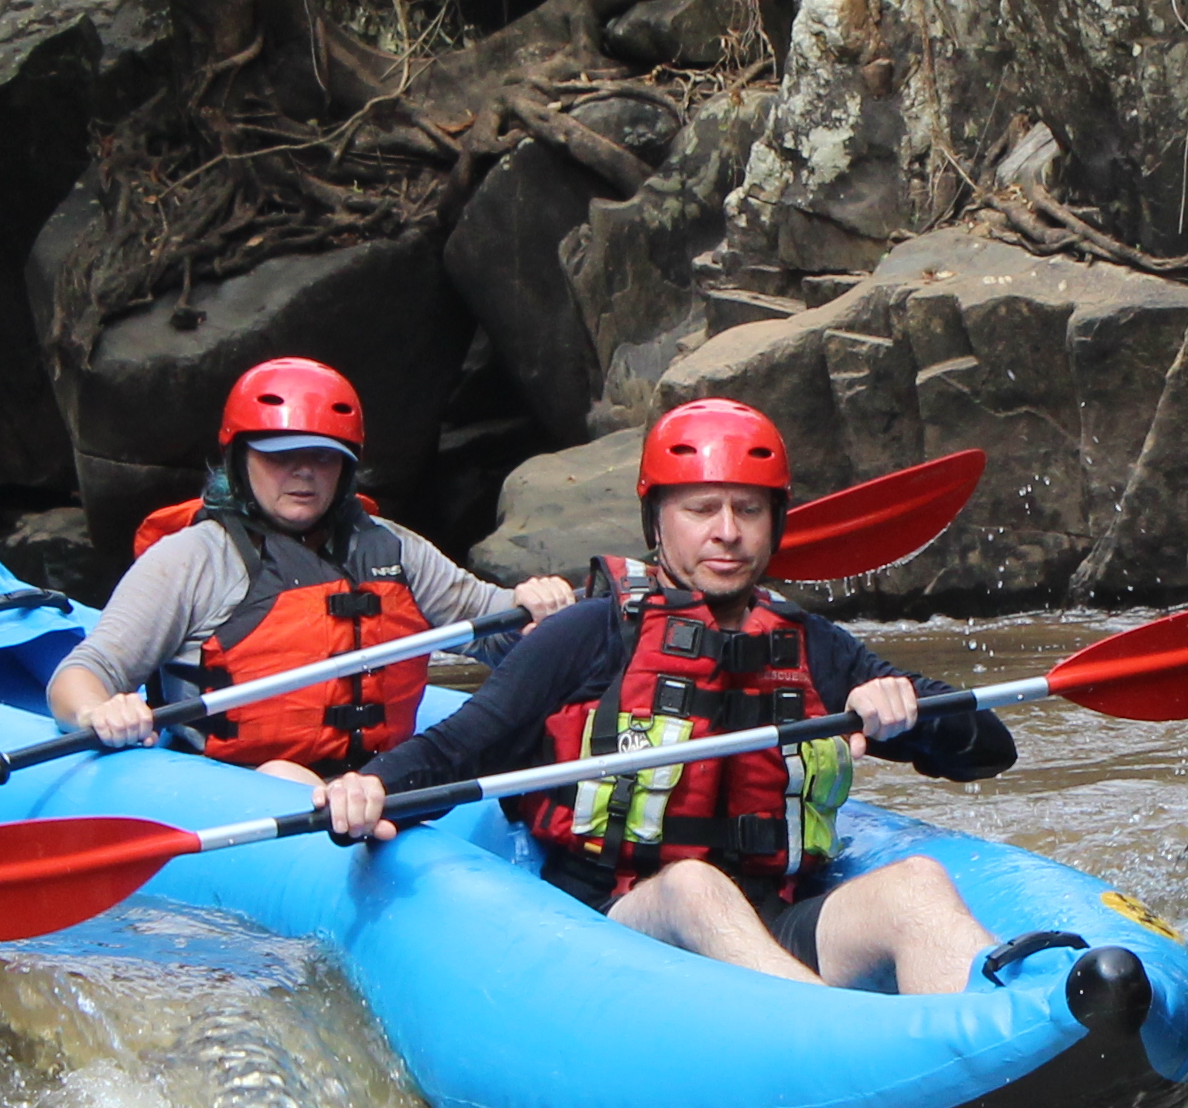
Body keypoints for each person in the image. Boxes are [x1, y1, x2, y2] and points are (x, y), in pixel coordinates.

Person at [314, 399, 1035, 995]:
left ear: (775, 523)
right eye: (702, 509)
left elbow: (988, 751)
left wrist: (906, 710)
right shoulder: (589, 635)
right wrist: (368, 791)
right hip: (618, 933)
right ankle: (841, 1039)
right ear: (657, 521)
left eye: (748, 510)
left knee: (916, 884)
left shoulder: (814, 646)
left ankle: (1000, 1044)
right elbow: (459, 749)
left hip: (774, 925)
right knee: (693, 885)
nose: (727, 532)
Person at [45, 358, 570, 792]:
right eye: (281, 456)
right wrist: (98, 712)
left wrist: (535, 607)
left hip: (372, 782)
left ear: (346, 468)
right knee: (284, 776)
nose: (304, 472)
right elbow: (81, 674)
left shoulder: (391, 548)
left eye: (323, 458)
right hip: (233, 785)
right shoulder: (191, 559)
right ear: (239, 457)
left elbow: (495, 633)